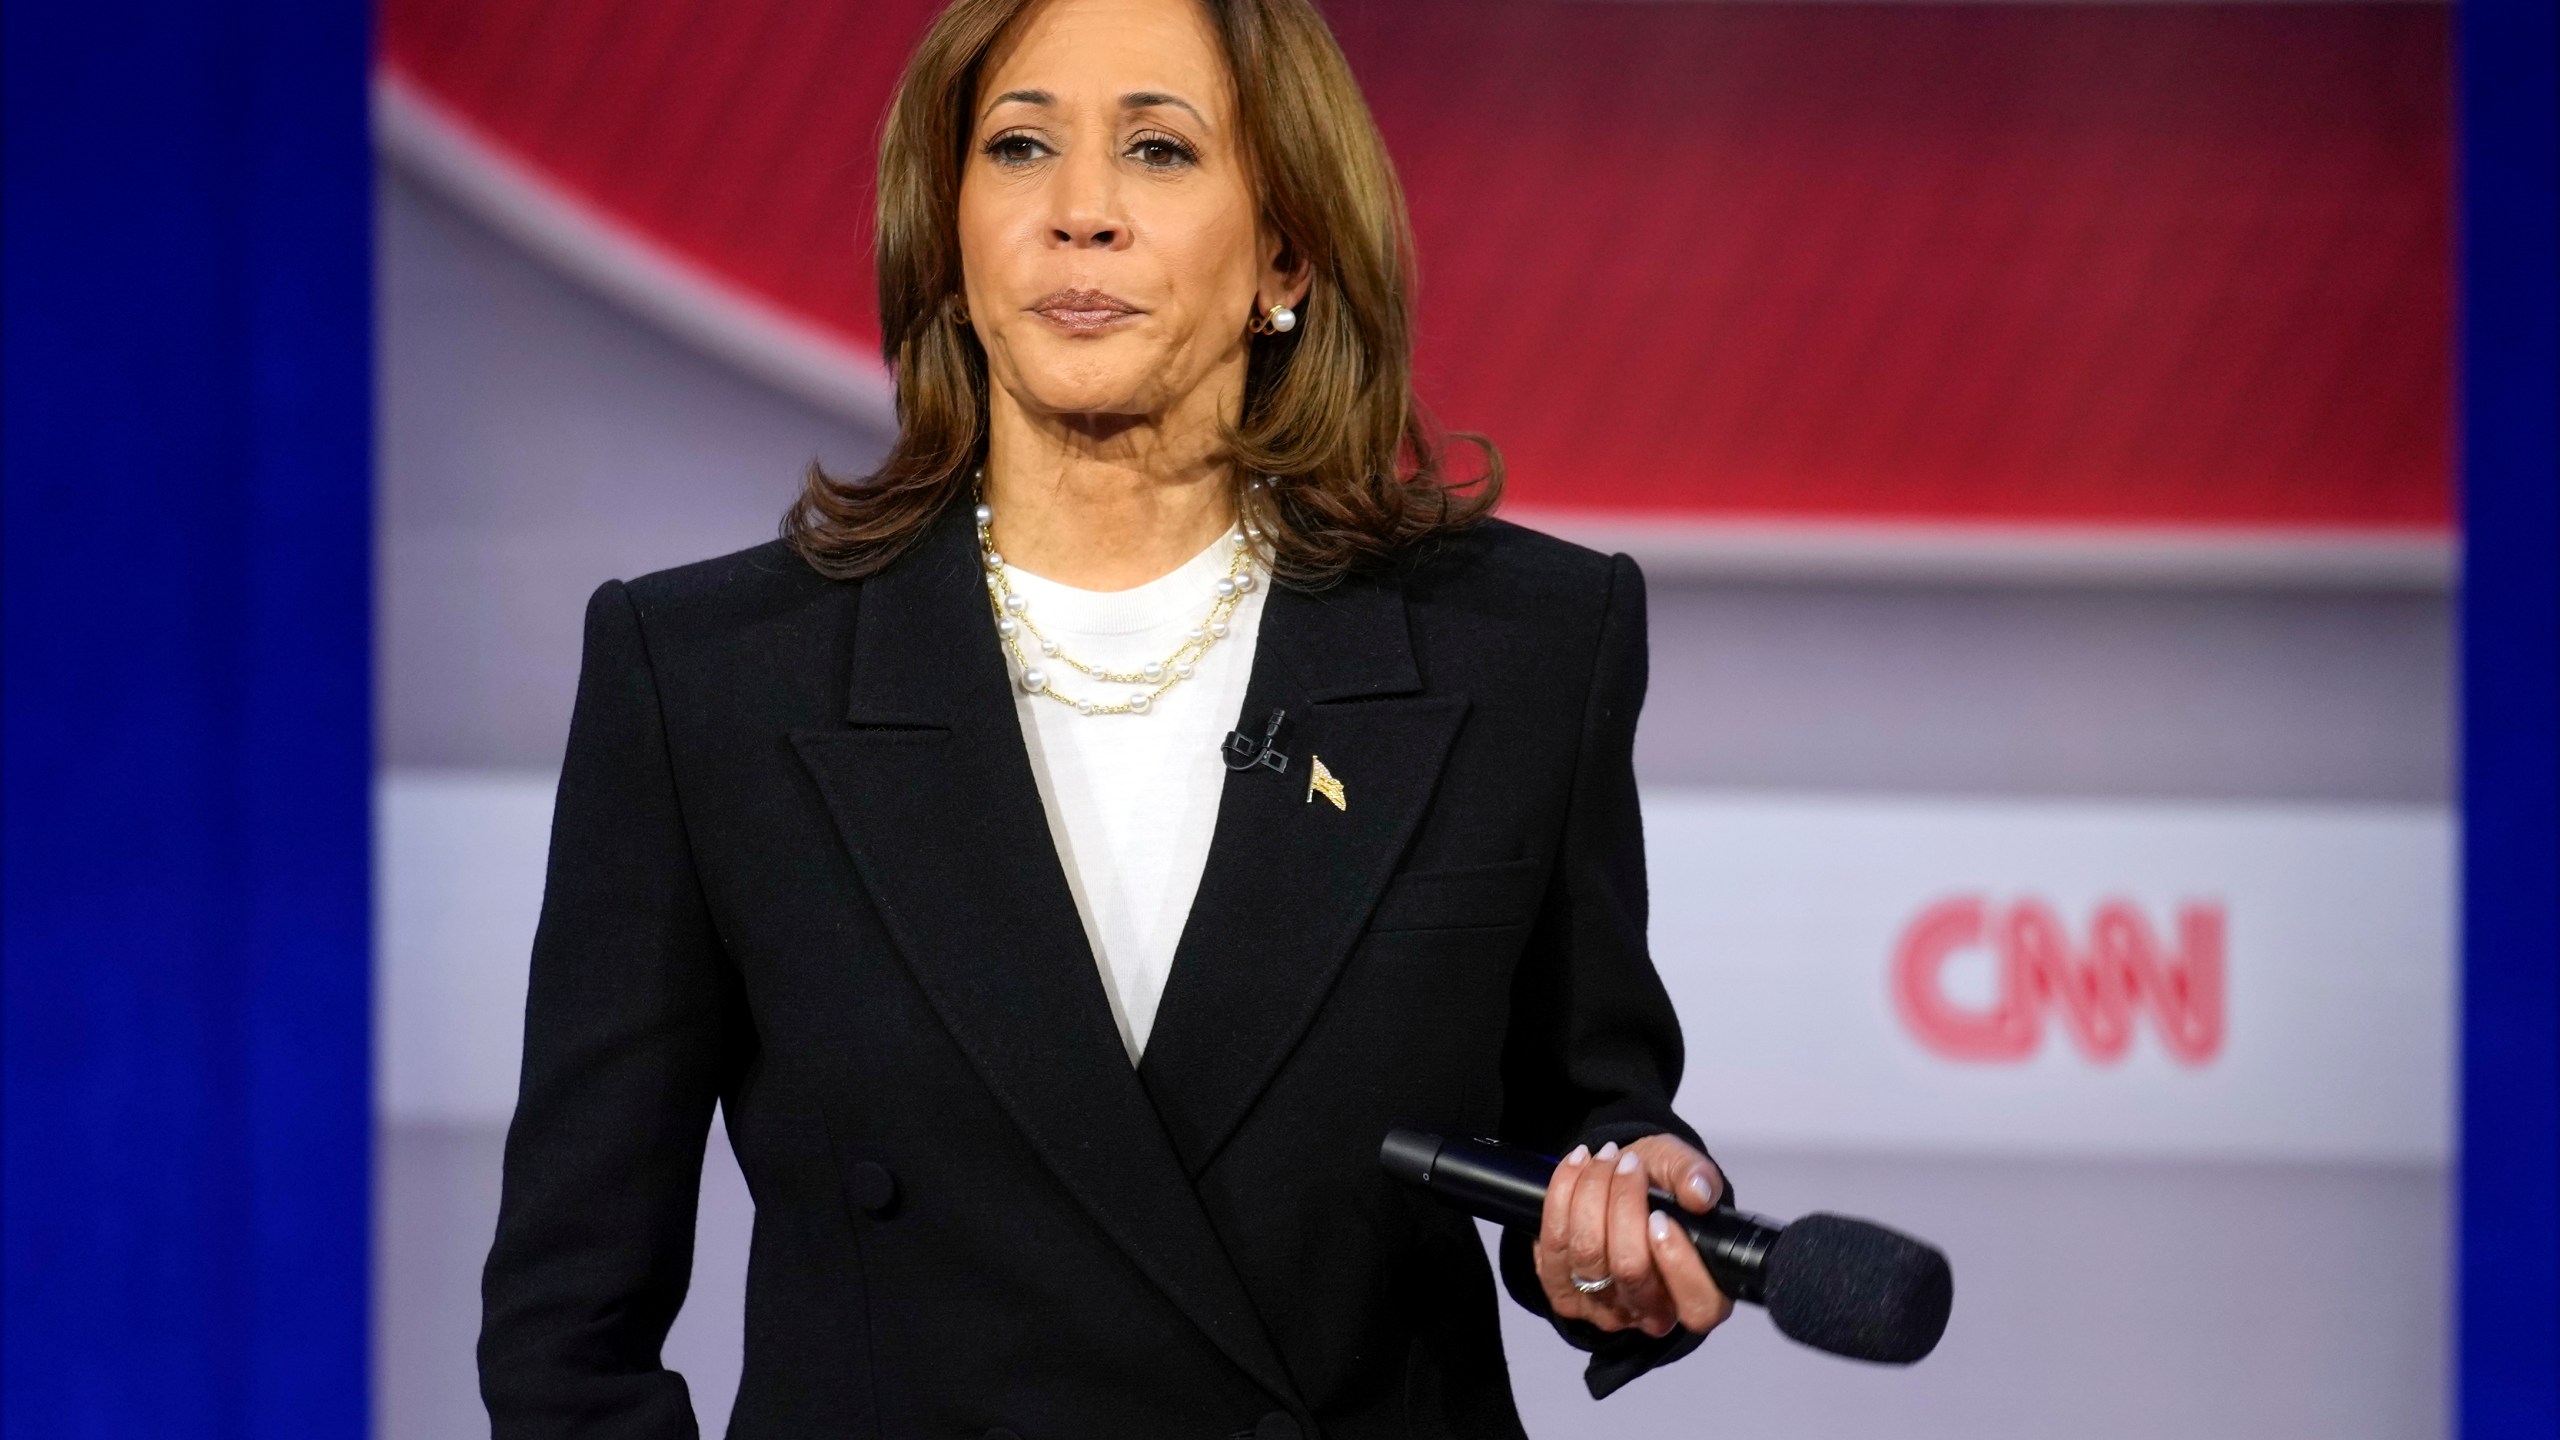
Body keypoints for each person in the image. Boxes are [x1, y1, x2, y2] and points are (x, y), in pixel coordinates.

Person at [477, 0, 1732, 1434]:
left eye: (1157, 148)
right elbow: (568, 1326)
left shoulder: (1520, 649)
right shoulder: (706, 675)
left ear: (1288, 249)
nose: (1080, 214)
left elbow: (1591, 1110)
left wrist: (1621, 1217)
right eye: (1018, 148)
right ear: (947, 237)